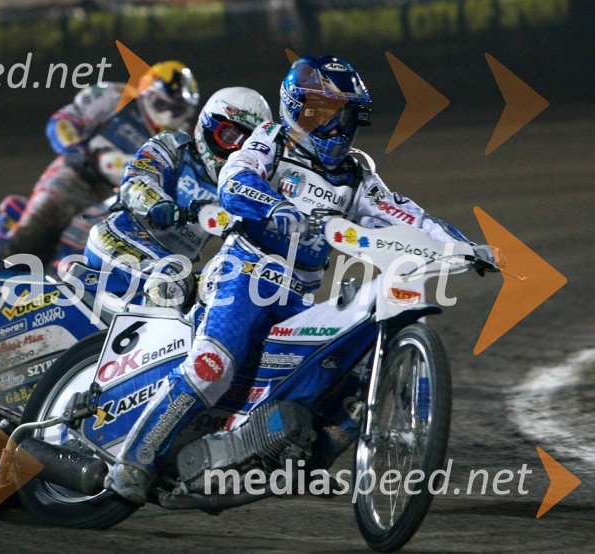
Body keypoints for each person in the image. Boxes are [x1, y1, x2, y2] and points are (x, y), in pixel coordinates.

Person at [105, 55, 498, 504]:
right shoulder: (270, 141)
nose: (334, 128)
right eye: (323, 114)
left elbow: (407, 214)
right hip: (243, 272)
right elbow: (236, 178)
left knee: (346, 382)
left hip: (298, 294)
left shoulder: (356, 174)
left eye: (343, 117)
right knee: (212, 365)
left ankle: (296, 464)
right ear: (296, 108)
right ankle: (132, 461)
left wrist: (466, 247)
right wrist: (274, 207)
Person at [0, 61, 200, 270]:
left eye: (177, 111)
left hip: (118, 200)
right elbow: (63, 120)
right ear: (147, 94)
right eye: (162, 105)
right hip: (76, 175)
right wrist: (73, 148)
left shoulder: (178, 141)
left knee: (88, 259)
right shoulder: (115, 96)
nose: (167, 115)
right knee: (32, 231)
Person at [83, 87, 273, 306]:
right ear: (208, 124)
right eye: (229, 136)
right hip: (118, 238)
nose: (235, 149)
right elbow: (136, 179)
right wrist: (156, 201)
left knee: (230, 292)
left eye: (246, 144)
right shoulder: (172, 145)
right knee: (171, 278)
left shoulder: (240, 186)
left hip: (169, 267)